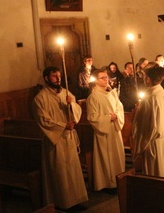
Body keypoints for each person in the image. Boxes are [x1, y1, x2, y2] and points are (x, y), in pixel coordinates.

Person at [33, 66, 88, 209]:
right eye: (54, 76)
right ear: (46, 78)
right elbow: (43, 120)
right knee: (60, 172)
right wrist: (63, 125)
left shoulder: (66, 93)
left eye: (59, 76)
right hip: (55, 140)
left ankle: (76, 200)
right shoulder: (40, 98)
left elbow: (77, 111)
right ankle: (63, 203)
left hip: (69, 138)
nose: (58, 79)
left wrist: (71, 105)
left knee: (73, 170)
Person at [132, 65, 164, 178]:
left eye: (144, 77)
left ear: (148, 79)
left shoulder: (149, 100)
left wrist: (137, 149)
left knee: (156, 178)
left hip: (154, 146)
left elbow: (144, 129)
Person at [86, 68, 125, 191]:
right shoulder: (93, 97)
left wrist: (116, 116)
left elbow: (119, 106)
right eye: (102, 78)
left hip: (115, 130)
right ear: (96, 81)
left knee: (117, 156)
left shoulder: (112, 93)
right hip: (104, 132)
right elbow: (92, 117)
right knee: (107, 158)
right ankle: (109, 183)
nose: (106, 79)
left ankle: (119, 179)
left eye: (106, 77)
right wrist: (108, 118)